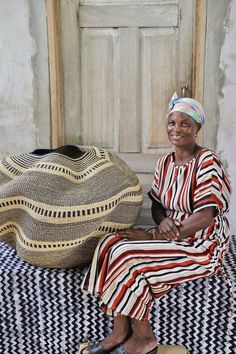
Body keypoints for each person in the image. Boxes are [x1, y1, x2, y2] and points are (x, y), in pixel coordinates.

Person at [80, 93, 231, 354]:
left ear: (198, 128)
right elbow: (159, 204)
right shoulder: (165, 162)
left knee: (128, 254)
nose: (177, 129)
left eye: (185, 123)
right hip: (172, 233)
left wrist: (154, 238)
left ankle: (143, 338)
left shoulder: (208, 162)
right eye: (172, 122)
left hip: (201, 243)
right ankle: (120, 329)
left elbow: (206, 216)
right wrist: (160, 223)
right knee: (111, 242)